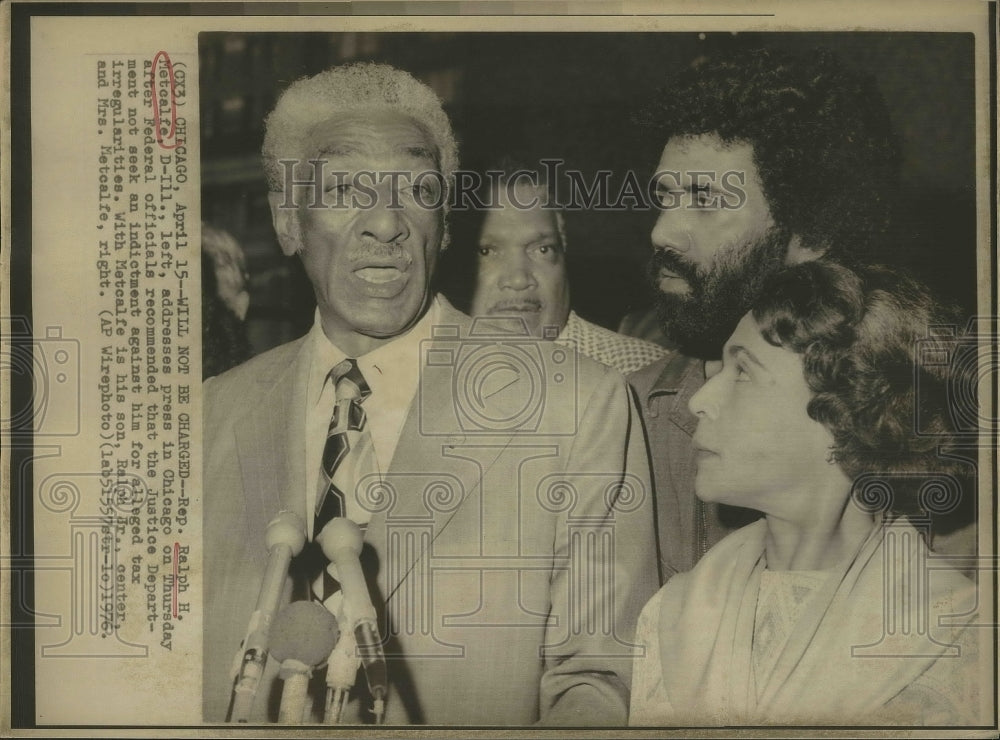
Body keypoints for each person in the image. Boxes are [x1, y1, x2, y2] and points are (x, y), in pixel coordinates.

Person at [202, 63, 658, 725]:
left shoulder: (576, 406)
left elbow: (598, 682)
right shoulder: (210, 416)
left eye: (416, 189)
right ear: (286, 220)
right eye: (344, 187)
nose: (385, 222)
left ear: (444, 223)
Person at [630, 260, 987, 726]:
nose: (700, 400)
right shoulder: (674, 612)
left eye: (742, 373)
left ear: (843, 416)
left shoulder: (953, 632)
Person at [625, 46, 920, 581]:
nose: (662, 232)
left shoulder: (917, 421)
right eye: (665, 198)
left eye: (704, 201)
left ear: (811, 231)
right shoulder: (631, 416)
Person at [469, 170, 668, 375]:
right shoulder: (438, 371)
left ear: (564, 252)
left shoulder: (644, 372)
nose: (519, 279)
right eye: (486, 251)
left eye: (542, 250)